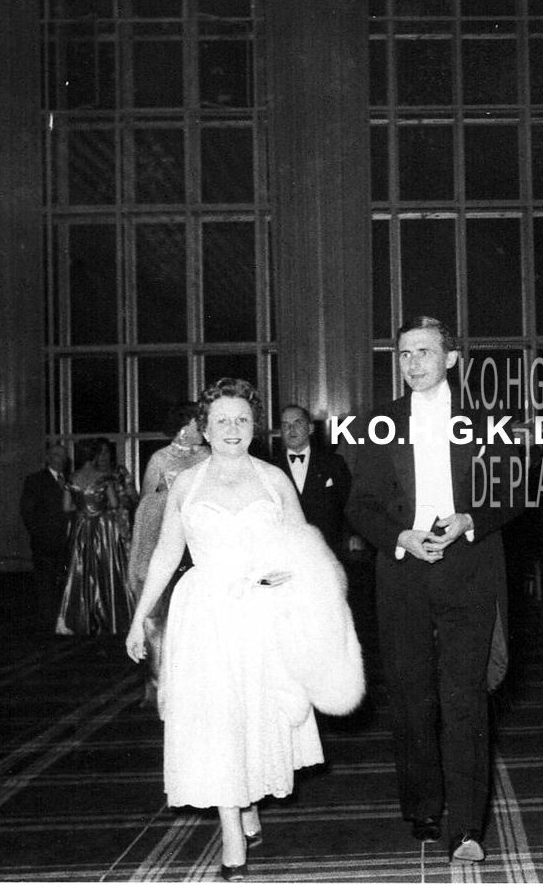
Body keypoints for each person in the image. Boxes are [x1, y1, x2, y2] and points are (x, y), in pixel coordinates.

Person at [126, 378, 364, 882]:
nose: (232, 429)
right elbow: (167, 553)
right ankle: (231, 828)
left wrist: (292, 579)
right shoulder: (186, 483)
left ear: (255, 426)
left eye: (242, 419)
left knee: (252, 716)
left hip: (261, 612)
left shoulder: (274, 480)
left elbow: (305, 547)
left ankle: (246, 799)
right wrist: (140, 617)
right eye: (221, 421)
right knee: (215, 721)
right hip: (204, 615)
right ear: (204, 428)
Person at [346, 316, 522, 863]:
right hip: (403, 570)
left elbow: (514, 493)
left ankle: (468, 827)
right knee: (411, 694)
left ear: (451, 359)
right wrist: (400, 536)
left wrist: (471, 519)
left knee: (464, 696)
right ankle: (424, 805)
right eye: (404, 354)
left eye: (424, 351)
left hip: (468, 567)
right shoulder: (379, 423)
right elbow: (358, 507)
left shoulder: (489, 421)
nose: (412, 362)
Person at [126, 402, 209, 707]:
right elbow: (147, 508)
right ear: (183, 428)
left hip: (200, 544)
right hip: (168, 541)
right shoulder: (159, 459)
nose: (204, 429)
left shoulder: (209, 456)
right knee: (159, 616)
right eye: (199, 424)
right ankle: (158, 683)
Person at [55, 437, 138, 636]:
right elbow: (114, 504)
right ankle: (110, 618)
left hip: (82, 526)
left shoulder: (71, 478)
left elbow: (66, 507)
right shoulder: (104, 477)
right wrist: (97, 507)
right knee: (107, 569)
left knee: (81, 569)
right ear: (94, 456)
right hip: (103, 527)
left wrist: (84, 508)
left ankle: (80, 619)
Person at [274, 405, 351, 557]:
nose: (291, 429)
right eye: (285, 425)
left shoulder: (333, 463)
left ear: (310, 428)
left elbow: (350, 503)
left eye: (298, 423)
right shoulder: (271, 467)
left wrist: (353, 536)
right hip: (285, 552)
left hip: (327, 550)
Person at [19, 442, 75, 629]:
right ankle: (48, 623)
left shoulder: (70, 480)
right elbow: (27, 512)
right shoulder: (35, 480)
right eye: (57, 455)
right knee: (46, 583)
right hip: (45, 541)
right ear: (48, 458)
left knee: (63, 583)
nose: (62, 459)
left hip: (67, 540)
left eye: (64, 455)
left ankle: (62, 619)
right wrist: (39, 535)